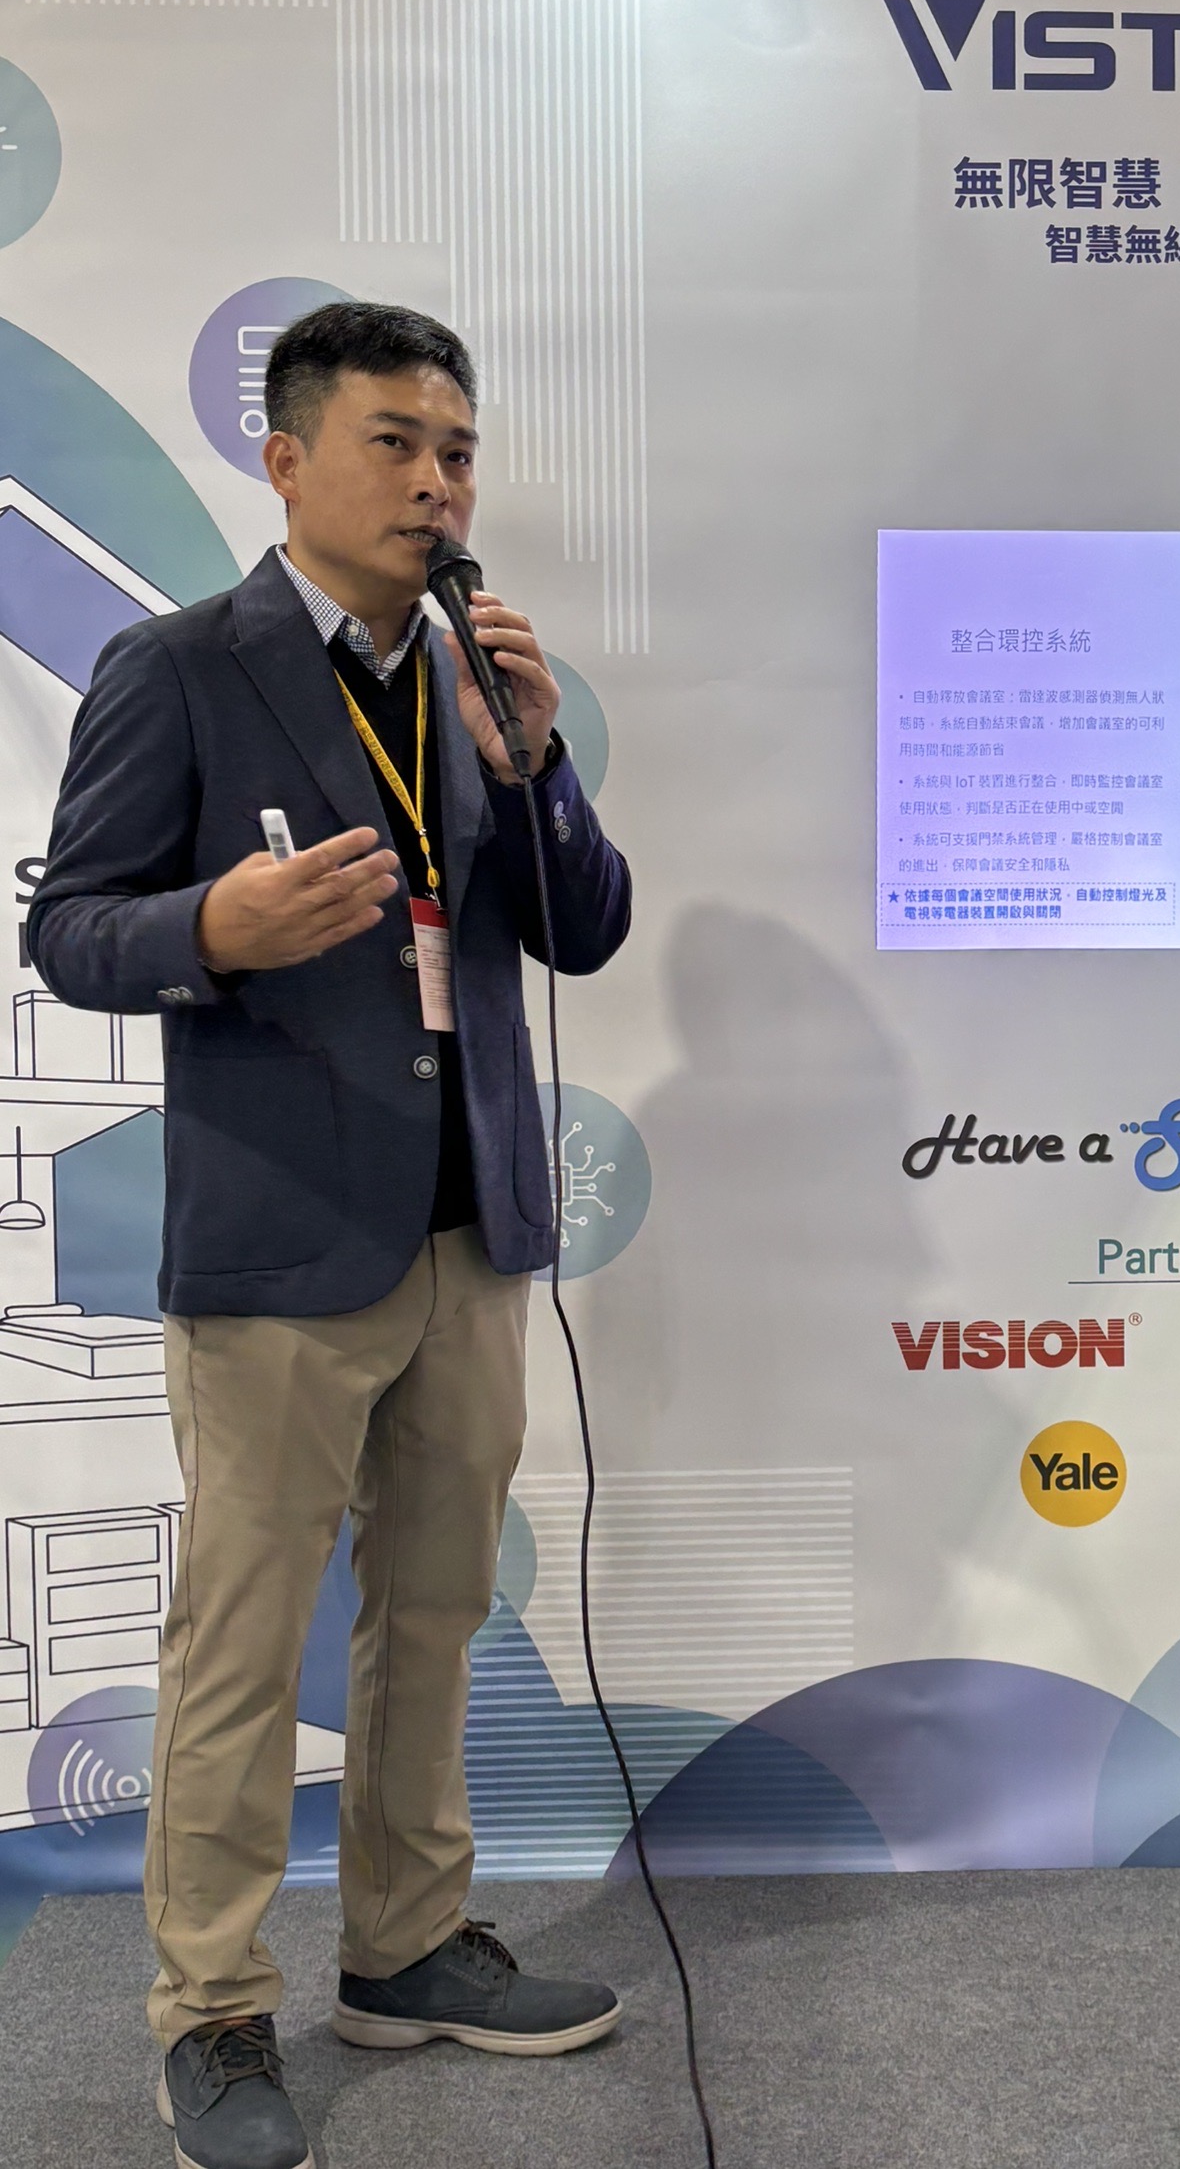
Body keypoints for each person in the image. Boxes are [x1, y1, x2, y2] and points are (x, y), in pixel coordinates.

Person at [29, 302, 632, 2169]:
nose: (437, 481)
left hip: (470, 1225)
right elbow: (70, 929)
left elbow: (584, 927)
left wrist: (535, 763)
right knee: (245, 1637)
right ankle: (211, 2007)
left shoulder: (474, 677)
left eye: (457, 450)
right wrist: (213, 929)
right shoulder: (180, 667)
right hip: (284, 1240)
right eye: (395, 443)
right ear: (287, 461)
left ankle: (405, 1947)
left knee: (436, 1612)